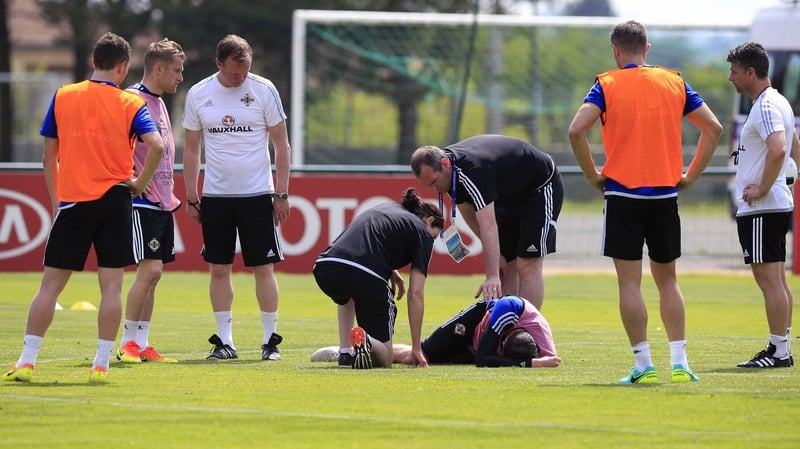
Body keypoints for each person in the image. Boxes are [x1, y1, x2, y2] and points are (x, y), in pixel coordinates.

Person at [2, 32, 165, 383]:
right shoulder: (130, 103)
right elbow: (158, 146)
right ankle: (101, 365)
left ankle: (27, 361)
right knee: (110, 287)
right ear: (123, 67)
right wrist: (139, 182)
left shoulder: (63, 96)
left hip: (74, 200)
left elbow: (49, 157)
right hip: (116, 200)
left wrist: (56, 201)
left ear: (93, 62)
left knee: (49, 287)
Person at [567, 20, 723, 384]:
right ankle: (681, 362)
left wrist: (592, 174)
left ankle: (643, 365)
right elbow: (713, 128)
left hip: (622, 194)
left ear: (616, 50)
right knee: (668, 281)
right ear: (647, 48)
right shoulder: (674, 80)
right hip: (665, 193)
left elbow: (577, 130)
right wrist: (691, 175)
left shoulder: (605, 84)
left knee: (630, 283)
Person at [182, 34, 291, 361]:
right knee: (219, 268)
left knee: (263, 268)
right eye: (233, 73)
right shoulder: (199, 94)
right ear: (219, 64)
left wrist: (282, 192)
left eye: (244, 71)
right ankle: (224, 341)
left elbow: (281, 145)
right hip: (216, 197)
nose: (240, 78)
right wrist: (191, 195)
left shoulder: (263, 89)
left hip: (258, 194)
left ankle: (270, 340)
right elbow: (190, 148)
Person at [410, 134, 564, 310]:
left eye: (434, 182)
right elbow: (467, 210)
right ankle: (508, 328)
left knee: (526, 264)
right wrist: (497, 258)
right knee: (506, 267)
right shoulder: (449, 177)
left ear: (445, 163)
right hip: (509, 198)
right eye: (428, 186)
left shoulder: (472, 169)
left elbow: (488, 224)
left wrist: (491, 276)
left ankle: (528, 329)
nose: (434, 188)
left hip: (539, 187)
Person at [726, 42, 800, 369]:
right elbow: (795, 146)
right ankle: (779, 345)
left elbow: (780, 148)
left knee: (769, 279)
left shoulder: (767, 106)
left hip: (763, 208)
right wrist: (789, 180)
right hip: (772, 205)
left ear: (751, 72)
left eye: (735, 71)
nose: (731, 78)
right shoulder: (778, 101)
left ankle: (779, 351)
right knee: (777, 279)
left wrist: (764, 187)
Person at [312, 188, 444, 369]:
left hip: (326, 269)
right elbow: (416, 294)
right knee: (385, 358)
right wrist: (416, 348)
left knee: (346, 294)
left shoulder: (386, 207)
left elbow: (368, 241)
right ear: (429, 221)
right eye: (434, 235)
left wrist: (391, 270)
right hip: (365, 276)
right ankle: (367, 341)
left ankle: (345, 353)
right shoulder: (422, 232)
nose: (432, 240)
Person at [115, 38, 185, 365]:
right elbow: (114, 144)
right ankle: (127, 341)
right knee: (150, 269)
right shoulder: (131, 99)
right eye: (176, 70)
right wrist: (134, 181)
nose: (180, 77)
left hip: (161, 201)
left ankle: (142, 343)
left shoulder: (158, 102)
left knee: (155, 274)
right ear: (158, 68)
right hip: (141, 201)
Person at [392, 295, 561, 368]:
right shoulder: (508, 308)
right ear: (504, 337)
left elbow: (484, 357)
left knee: (419, 361)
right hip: (475, 322)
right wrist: (531, 364)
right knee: (419, 354)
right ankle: (380, 349)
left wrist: (523, 363)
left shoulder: (544, 348)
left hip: (480, 349)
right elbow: (483, 359)